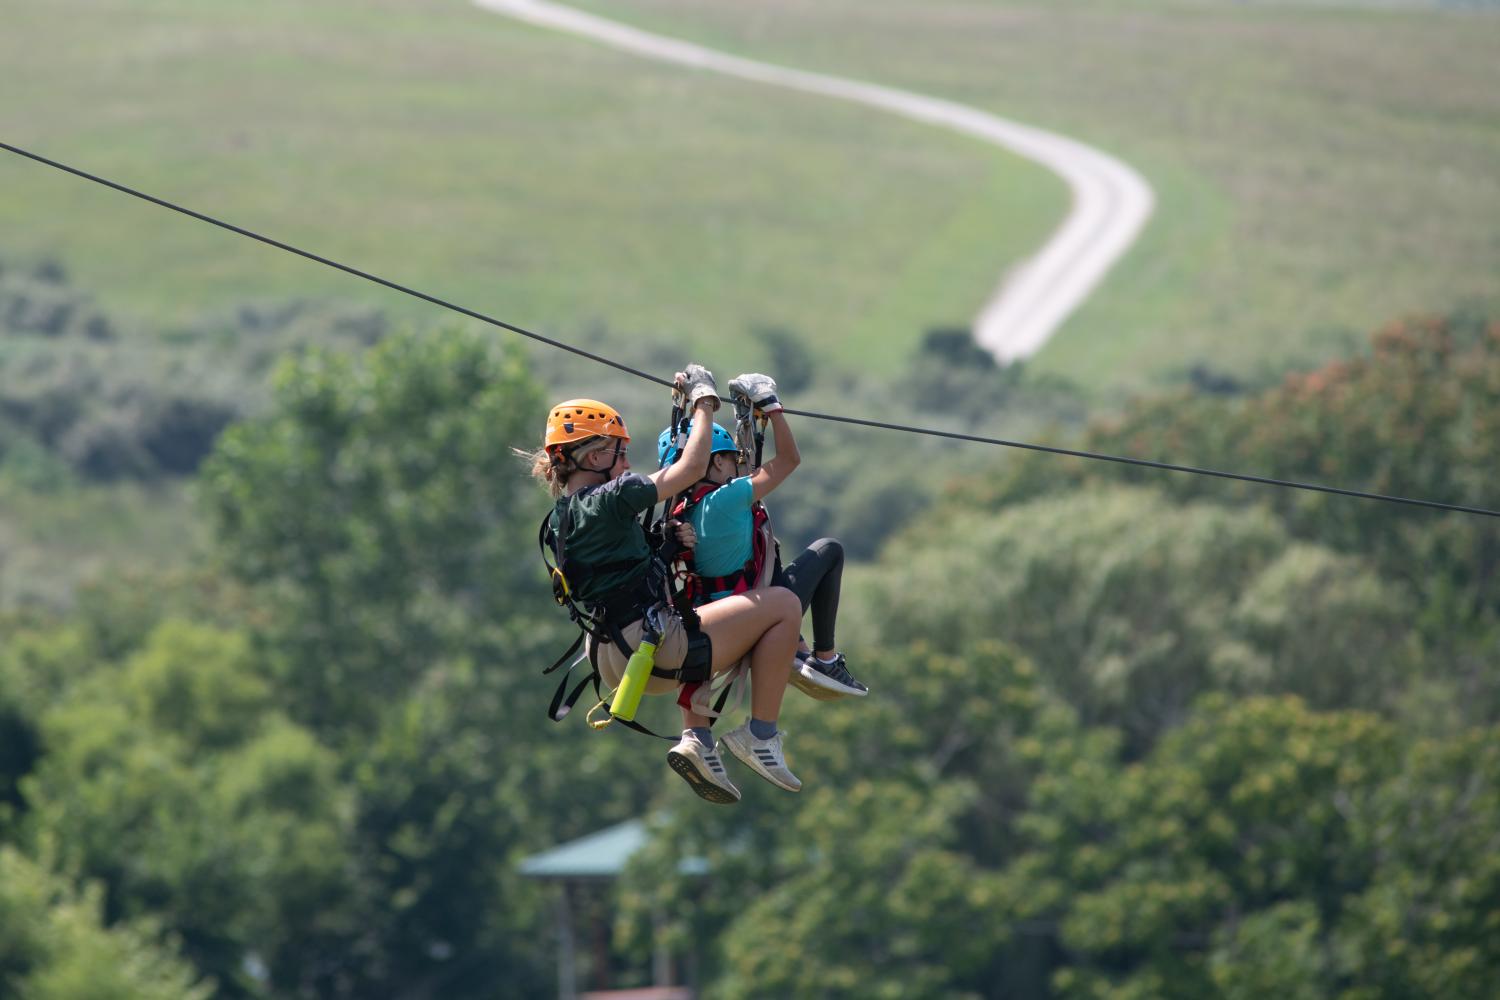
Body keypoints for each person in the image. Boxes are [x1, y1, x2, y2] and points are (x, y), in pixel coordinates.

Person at [528, 365, 803, 805]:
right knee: (784, 605)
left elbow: (619, 572)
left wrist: (665, 547)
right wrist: (703, 401)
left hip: (608, 657)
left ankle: (701, 743)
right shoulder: (612, 498)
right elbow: (692, 467)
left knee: (721, 616)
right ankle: (760, 735)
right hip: (652, 646)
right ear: (594, 457)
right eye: (619, 454)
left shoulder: (563, 516)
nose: (626, 464)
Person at [657, 372, 867, 700]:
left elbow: (749, 478)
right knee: (829, 549)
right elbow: (788, 460)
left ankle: (797, 648)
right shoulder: (726, 499)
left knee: (764, 541)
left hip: (714, 622)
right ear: (712, 464)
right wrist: (772, 408)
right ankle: (824, 658)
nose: (738, 465)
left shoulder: (679, 512)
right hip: (753, 617)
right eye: (730, 459)